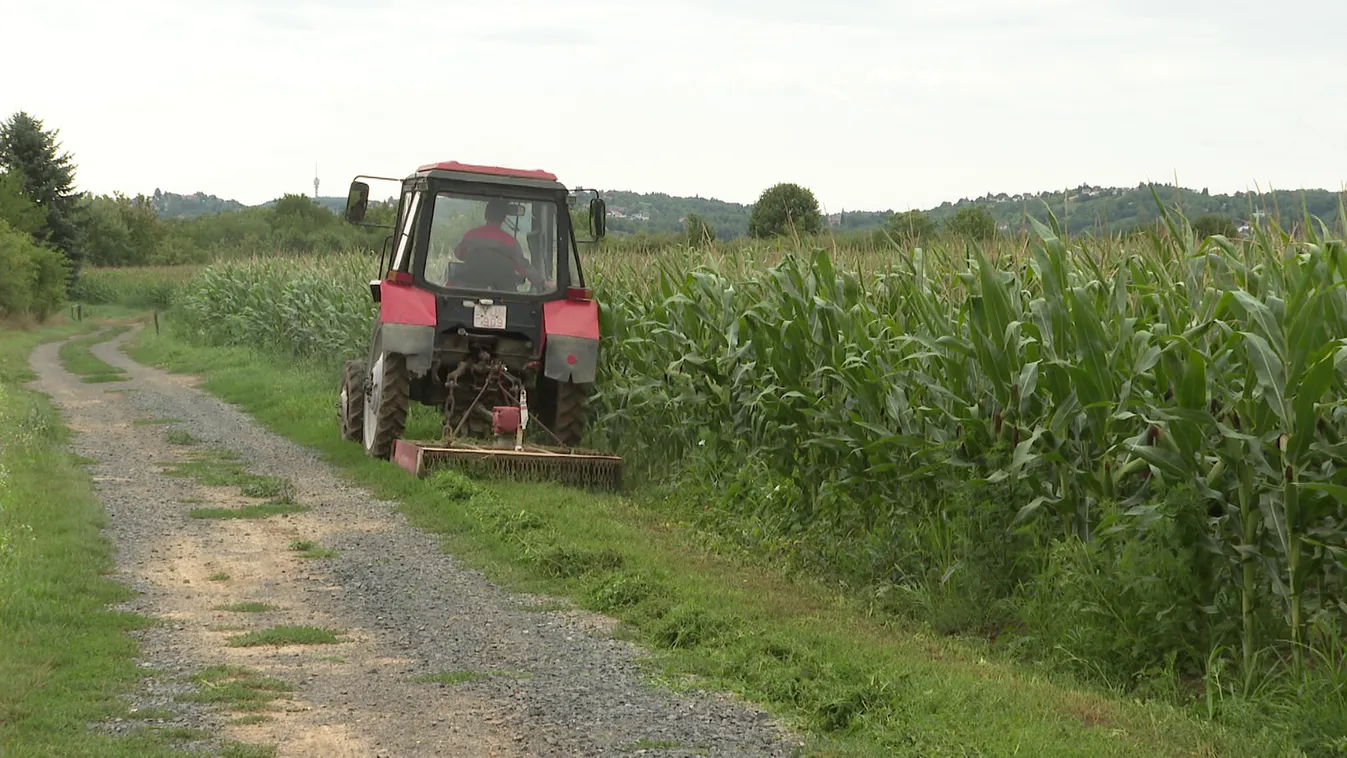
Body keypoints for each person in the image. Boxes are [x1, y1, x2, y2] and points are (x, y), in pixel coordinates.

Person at [452, 199, 545, 289]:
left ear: (486, 215)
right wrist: (541, 282)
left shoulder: (470, 235)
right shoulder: (511, 242)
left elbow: (459, 254)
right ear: (503, 218)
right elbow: (523, 267)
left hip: (472, 287)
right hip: (503, 290)